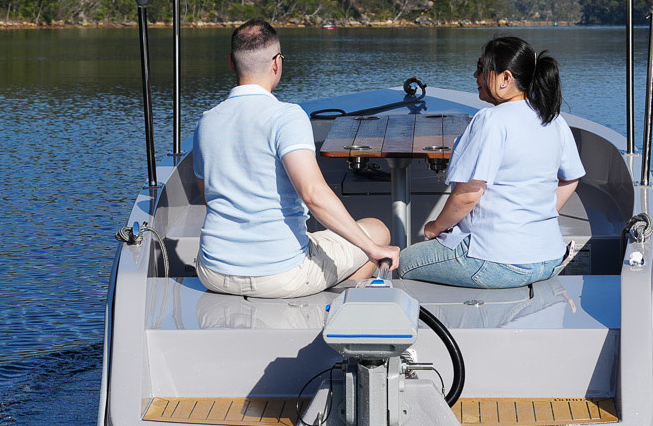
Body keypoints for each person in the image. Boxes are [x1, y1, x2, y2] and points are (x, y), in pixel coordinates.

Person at [192, 19, 400, 299]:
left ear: (231, 63)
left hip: (213, 272)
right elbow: (313, 194)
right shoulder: (286, 116)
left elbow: (208, 195)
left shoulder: (207, 122)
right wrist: (373, 249)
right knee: (377, 231)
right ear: (277, 63)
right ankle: (331, 304)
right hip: (279, 275)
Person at [396, 36, 584, 288]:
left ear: (505, 79)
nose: (476, 75)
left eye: (482, 68)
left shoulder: (491, 120)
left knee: (402, 261)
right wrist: (536, 216)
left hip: (496, 261)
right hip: (550, 258)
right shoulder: (553, 118)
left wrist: (433, 228)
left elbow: (468, 195)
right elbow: (571, 179)